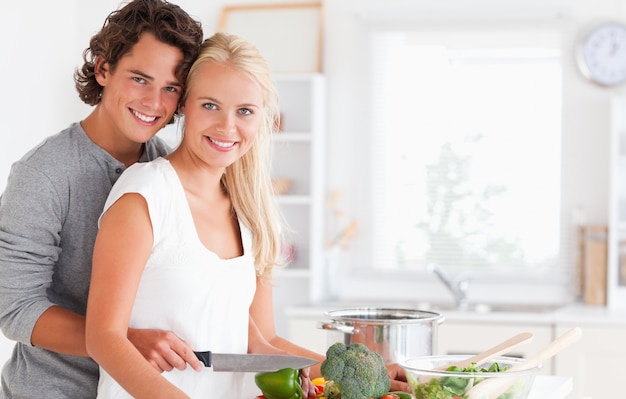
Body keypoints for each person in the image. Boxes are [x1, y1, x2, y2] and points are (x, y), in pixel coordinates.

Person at [0, 0, 203, 397]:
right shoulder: (44, 174)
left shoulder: (169, 168)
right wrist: (123, 342)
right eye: (140, 79)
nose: (154, 103)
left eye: (170, 88)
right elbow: (15, 309)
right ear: (103, 68)